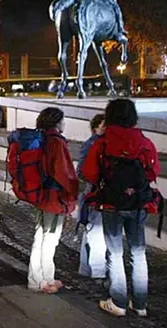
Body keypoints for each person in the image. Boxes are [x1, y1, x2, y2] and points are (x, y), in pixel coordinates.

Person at [80, 99, 160, 318]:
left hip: (111, 203)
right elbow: (153, 171)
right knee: (138, 251)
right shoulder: (144, 141)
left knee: (115, 253)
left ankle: (118, 302)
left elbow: (90, 173)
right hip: (138, 203)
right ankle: (140, 304)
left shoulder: (103, 142)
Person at [25, 107, 79, 294]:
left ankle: (39, 278)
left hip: (41, 195)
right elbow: (64, 172)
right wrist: (72, 195)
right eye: (63, 120)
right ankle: (43, 280)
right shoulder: (56, 142)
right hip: (54, 198)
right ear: (57, 122)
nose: (65, 123)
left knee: (40, 236)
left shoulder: (40, 139)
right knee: (49, 239)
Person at [77, 113, 107, 281]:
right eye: (103, 126)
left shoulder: (97, 143)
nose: (106, 129)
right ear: (95, 128)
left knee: (90, 231)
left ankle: (85, 268)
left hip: (91, 193)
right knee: (96, 232)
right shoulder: (92, 144)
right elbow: (81, 171)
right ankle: (98, 272)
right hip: (94, 194)